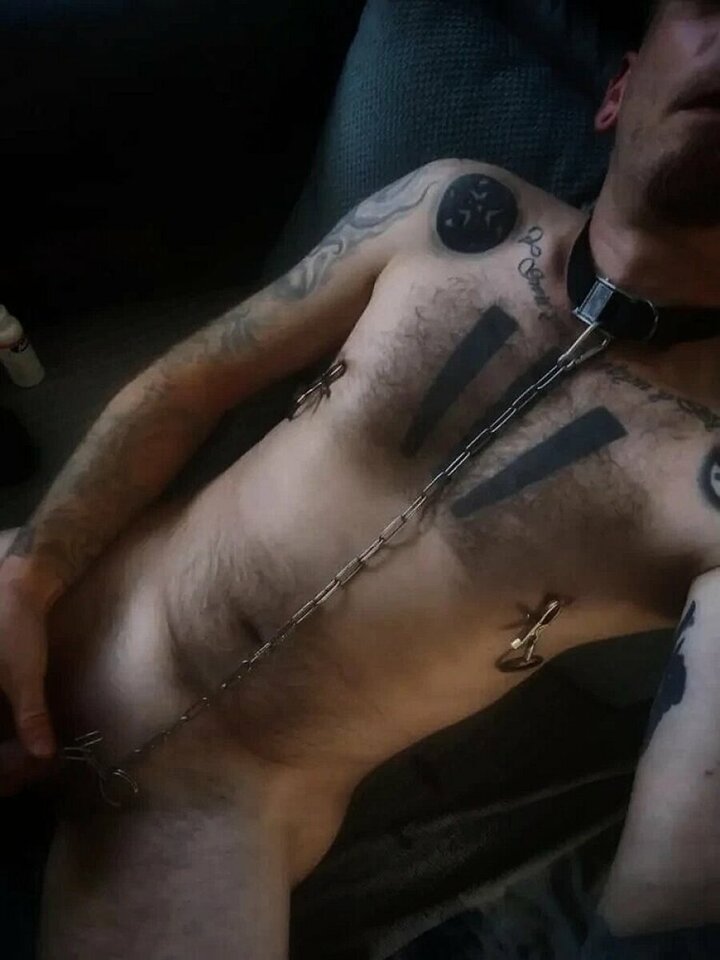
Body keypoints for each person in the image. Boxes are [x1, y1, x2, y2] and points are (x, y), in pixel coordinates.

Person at [1, 0, 720, 955]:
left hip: (214, 826)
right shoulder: (454, 211)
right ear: (618, 91)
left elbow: (668, 908)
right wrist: (31, 574)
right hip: (70, 610)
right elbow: (193, 382)